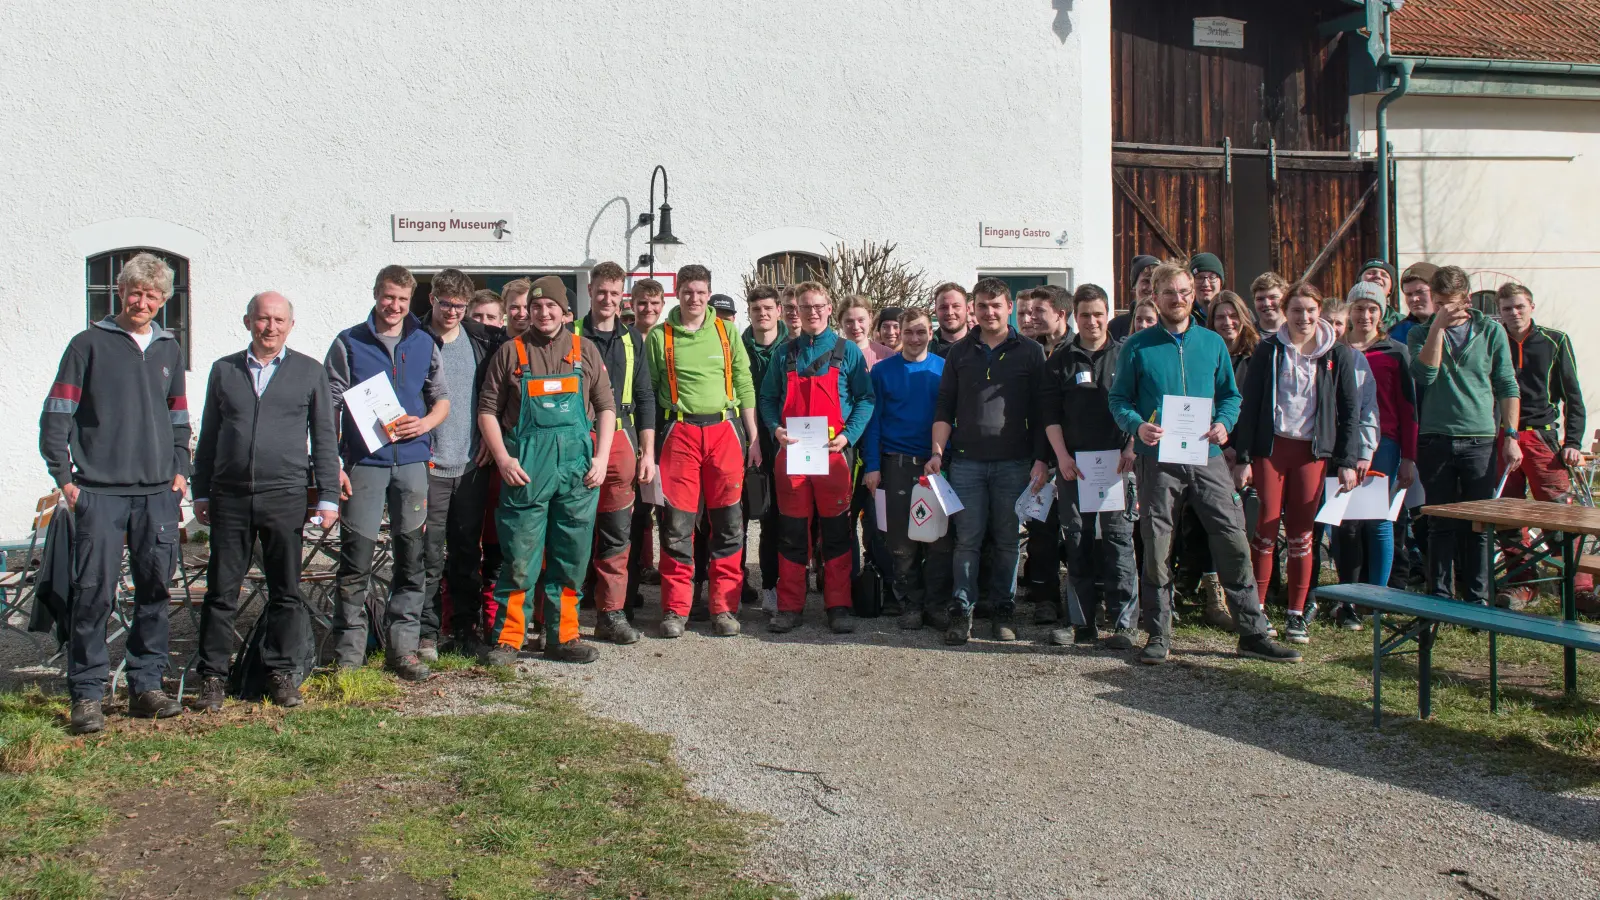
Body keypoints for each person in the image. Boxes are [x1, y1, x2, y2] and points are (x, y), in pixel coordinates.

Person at [1108, 262, 1301, 664]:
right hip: (1156, 459)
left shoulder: (1212, 344)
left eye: (1183, 292)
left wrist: (1223, 424)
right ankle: (1158, 633)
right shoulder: (1137, 347)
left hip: (1207, 456)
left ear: (1192, 295)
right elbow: (1118, 400)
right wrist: (1137, 426)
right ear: (1154, 297)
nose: (1177, 299)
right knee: (1158, 545)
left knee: (1232, 537)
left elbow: (1231, 396)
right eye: (1168, 293)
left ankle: (1252, 631)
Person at [42, 252, 192, 733]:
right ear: (119, 293)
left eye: (153, 295)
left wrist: (181, 469)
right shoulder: (87, 344)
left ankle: (145, 686)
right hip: (99, 492)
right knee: (93, 593)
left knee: (154, 591)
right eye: (135, 292)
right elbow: (56, 415)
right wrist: (64, 478)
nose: (143, 301)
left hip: (156, 494)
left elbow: (178, 417)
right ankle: (86, 694)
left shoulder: (169, 348)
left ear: (164, 300)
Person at [191, 291, 340, 710]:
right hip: (231, 497)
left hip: (285, 495)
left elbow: (324, 439)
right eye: (262, 319)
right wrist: (200, 488)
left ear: (290, 325)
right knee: (221, 591)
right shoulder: (224, 370)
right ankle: (213, 678)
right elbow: (210, 434)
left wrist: (328, 496)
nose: (269, 327)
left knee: (285, 591)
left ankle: (281, 674)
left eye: (278, 320)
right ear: (247, 322)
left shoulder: (309, 372)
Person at [476, 276, 614, 664]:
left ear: (565, 312)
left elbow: (606, 407)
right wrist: (503, 458)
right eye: (536, 306)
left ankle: (563, 636)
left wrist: (601, 458)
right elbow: (487, 410)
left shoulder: (584, 350)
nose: (543, 312)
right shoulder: (511, 352)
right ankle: (509, 639)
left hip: (577, 470)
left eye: (550, 305)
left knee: (571, 554)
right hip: (526, 470)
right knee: (520, 556)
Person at [325, 265, 451, 682]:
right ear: (376, 294)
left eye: (401, 298)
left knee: (410, 559)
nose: (394, 306)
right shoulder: (349, 342)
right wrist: (332, 463)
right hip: (365, 465)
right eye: (387, 297)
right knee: (355, 560)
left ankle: (404, 649)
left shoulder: (423, 341)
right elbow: (329, 405)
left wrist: (426, 424)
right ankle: (349, 654)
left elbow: (441, 399)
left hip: (412, 463)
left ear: (410, 299)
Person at [1233, 283, 1361, 644]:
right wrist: (1243, 457)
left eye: (1309, 311)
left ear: (1319, 312)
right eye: (1296, 311)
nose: (1303, 318)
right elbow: (1251, 404)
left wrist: (1347, 461)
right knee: (1266, 529)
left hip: (1312, 454)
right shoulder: (1268, 349)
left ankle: (1296, 613)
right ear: (1284, 312)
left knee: (1303, 536)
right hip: (1271, 451)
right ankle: (1256, 611)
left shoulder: (1337, 354)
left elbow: (1349, 413)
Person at [926, 278, 1049, 644]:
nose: (988, 312)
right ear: (972, 309)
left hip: (1015, 463)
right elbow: (944, 406)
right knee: (967, 540)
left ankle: (1003, 610)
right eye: (982, 305)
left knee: (1009, 540)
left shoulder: (1030, 352)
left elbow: (1044, 412)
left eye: (995, 305)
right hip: (966, 464)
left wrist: (1041, 459)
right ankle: (962, 610)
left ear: (1009, 307)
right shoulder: (959, 353)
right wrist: (937, 452)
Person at [645, 265, 762, 637]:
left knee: (728, 524)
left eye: (700, 292)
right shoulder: (660, 335)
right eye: (687, 291)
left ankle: (724, 608)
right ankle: (675, 609)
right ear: (676, 293)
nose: (694, 298)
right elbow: (649, 389)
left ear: (708, 293)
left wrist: (753, 435)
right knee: (677, 526)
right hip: (679, 431)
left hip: (725, 431)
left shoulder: (726, 331)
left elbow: (744, 381)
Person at [760, 282, 876, 633]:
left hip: (833, 456)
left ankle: (838, 605)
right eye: (804, 307)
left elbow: (865, 400)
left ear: (829, 309)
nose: (812, 312)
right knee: (792, 533)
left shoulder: (849, 352)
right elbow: (766, 399)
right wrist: (775, 429)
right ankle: (790, 605)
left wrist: (848, 436)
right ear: (796, 309)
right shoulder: (784, 353)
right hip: (793, 454)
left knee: (838, 532)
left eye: (818, 306)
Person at [1409, 265, 1522, 606]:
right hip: (1436, 437)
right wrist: (1438, 329)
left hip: (1479, 438)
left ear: (1468, 300)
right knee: (1440, 521)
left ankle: (1478, 597)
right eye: (1439, 302)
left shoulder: (1490, 331)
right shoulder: (1421, 332)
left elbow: (1506, 383)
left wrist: (1511, 434)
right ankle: (1441, 596)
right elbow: (1425, 374)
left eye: (1452, 304)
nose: (1445, 309)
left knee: (1479, 523)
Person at [419, 269, 510, 660]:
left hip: (471, 463)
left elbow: (498, 394)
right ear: (432, 300)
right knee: (425, 554)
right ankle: (424, 633)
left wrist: (493, 441)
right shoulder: (416, 340)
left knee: (465, 554)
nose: (452, 311)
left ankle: (464, 628)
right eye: (446, 303)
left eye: (459, 305)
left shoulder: (482, 341)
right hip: (428, 464)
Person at [1042, 284, 1139, 648]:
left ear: (1108, 314)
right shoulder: (1059, 360)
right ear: (1074, 317)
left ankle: (1123, 624)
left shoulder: (1127, 356)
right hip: (1075, 468)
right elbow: (1049, 417)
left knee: (1118, 542)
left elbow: (1142, 409)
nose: (1092, 321)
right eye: (1085, 315)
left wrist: (1132, 446)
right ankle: (1082, 624)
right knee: (1077, 541)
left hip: (1117, 466)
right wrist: (1062, 458)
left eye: (1099, 314)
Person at [1495, 281, 1590, 607]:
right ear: (1500, 312)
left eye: (1519, 306)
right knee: (1508, 518)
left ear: (1531, 307)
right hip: (1502, 435)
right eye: (1507, 308)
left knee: (1560, 517)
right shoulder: (1494, 340)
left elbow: (1573, 397)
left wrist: (1573, 441)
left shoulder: (1555, 340)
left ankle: (1579, 588)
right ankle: (1523, 585)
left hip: (1541, 438)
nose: (1514, 313)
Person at [860, 308, 952, 630]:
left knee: (939, 541)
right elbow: (873, 423)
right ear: (899, 332)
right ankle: (909, 604)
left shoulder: (944, 370)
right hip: (894, 465)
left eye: (921, 332)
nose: (915, 338)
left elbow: (952, 419)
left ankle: (936, 605)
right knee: (901, 542)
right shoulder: (882, 372)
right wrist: (872, 466)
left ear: (931, 332)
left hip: (935, 467)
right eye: (909, 332)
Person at [580, 262, 656, 645]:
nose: (607, 299)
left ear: (621, 295)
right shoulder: (569, 334)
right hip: (577, 437)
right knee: (571, 530)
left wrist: (647, 451)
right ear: (590, 290)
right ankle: (559, 615)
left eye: (614, 293)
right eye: (601, 291)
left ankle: (611, 613)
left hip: (622, 440)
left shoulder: (632, 340)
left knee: (616, 532)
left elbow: (644, 396)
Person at [1336, 283, 1418, 625]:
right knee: (1345, 522)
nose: (1365, 315)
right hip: (1342, 444)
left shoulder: (1396, 351)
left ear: (1382, 313)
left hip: (1384, 444)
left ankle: (1377, 597)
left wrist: (1409, 457)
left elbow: (1408, 406)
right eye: (1359, 308)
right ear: (1349, 311)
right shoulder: (1336, 350)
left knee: (1379, 521)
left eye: (1372, 309)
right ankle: (1348, 598)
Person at [742, 286, 789, 614]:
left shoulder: (793, 348)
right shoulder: (737, 347)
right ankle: (737, 582)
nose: (763, 314)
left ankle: (772, 584)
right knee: (738, 516)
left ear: (779, 311)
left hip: (784, 440)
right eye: (756, 309)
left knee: (777, 518)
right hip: (744, 438)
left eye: (768, 308)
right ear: (750, 312)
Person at [626, 278, 668, 604]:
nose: (648, 309)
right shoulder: (624, 338)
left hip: (665, 433)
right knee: (635, 513)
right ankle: (631, 585)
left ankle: (669, 582)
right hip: (631, 432)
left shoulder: (669, 338)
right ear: (632, 303)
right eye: (643, 303)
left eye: (655, 304)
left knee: (667, 512)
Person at [1109, 254, 1160, 340]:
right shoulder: (1117, 326)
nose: (1151, 288)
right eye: (1146, 281)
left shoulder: (1168, 323)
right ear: (1134, 285)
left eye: (1156, 282)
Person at [1390, 263, 1438, 347]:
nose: (1414, 299)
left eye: (1420, 292)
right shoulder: (1396, 334)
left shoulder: (1459, 327)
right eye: (1408, 294)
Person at [929, 282, 972, 357]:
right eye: (943, 307)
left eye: (956, 306)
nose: (950, 312)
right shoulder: (925, 348)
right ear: (935, 311)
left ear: (967, 310)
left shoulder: (983, 346)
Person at [1030, 286, 1072, 356]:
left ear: (1061, 314)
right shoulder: (1029, 348)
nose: (1032, 317)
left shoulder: (1077, 349)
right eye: (1032, 310)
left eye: (1040, 310)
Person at [1189, 252, 1225, 322]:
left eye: (1212, 277)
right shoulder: (1184, 316)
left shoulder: (1237, 313)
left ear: (1221, 282)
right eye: (1199, 277)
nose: (1206, 284)